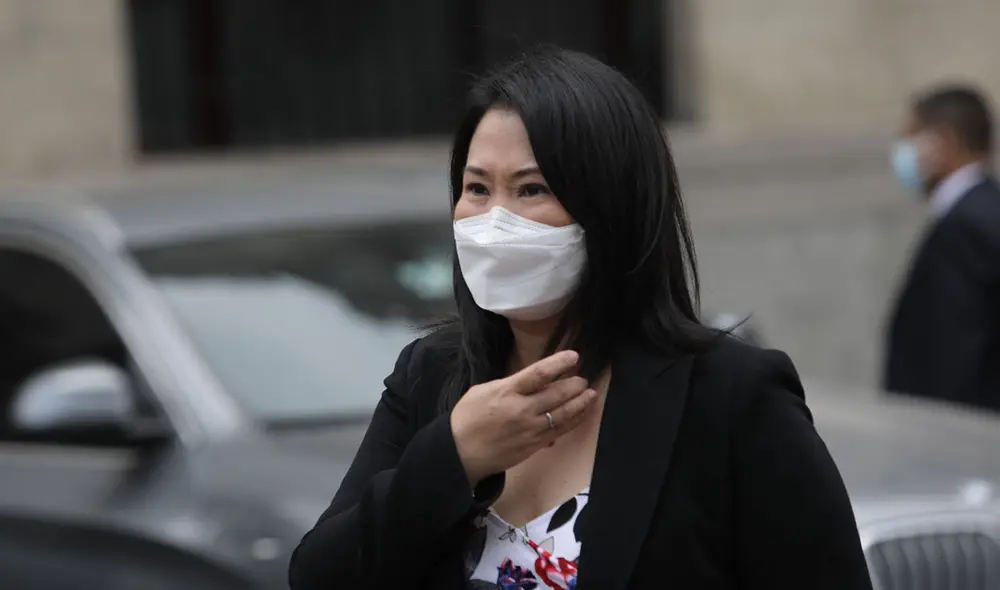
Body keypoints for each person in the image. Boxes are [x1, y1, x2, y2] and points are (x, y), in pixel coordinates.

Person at [288, 48, 871, 589]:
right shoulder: (432, 374)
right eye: (476, 188)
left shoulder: (730, 398)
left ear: (612, 208)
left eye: (532, 189)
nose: (495, 220)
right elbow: (320, 575)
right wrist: (456, 456)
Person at [886, 85, 1000, 412]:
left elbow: (950, 356)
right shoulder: (984, 210)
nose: (902, 152)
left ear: (943, 143)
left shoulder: (965, 228)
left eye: (910, 137)